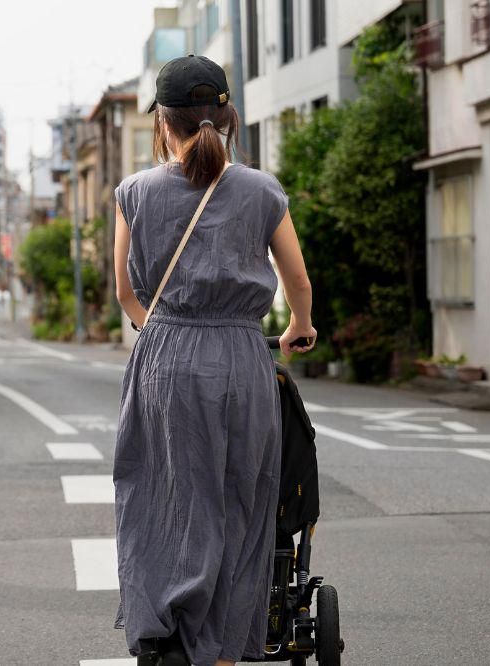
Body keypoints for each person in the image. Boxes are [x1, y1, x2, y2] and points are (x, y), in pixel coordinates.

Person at [112, 55, 316, 666]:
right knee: (241, 503)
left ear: (162, 120)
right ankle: (224, 652)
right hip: (241, 354)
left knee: (162, 494)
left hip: (166, 353)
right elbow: (297, 282)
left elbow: (126, 291)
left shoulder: (137, 192)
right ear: (226, 116)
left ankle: (168, 632)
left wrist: (163, 332)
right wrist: (299, 328)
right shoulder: (260, 189)